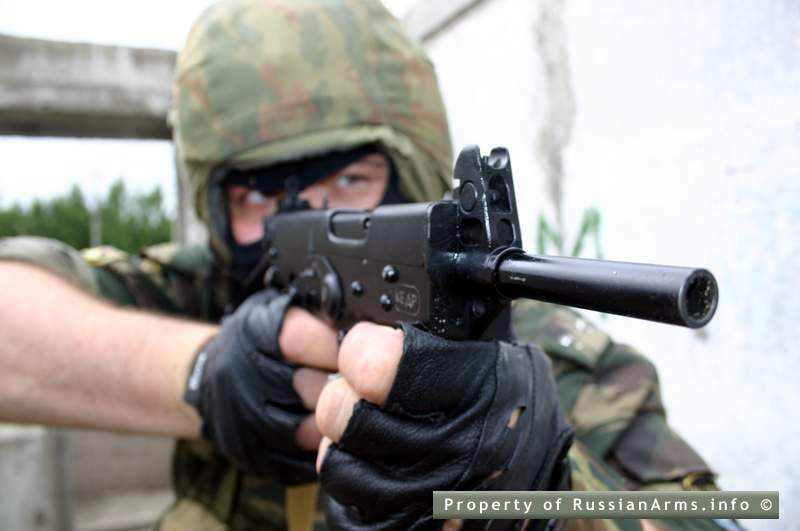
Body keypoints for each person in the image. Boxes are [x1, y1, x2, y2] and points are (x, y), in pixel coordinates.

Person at [0, 1, 733, 530]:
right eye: (256, 195)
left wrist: (541, 493)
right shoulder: (210, 287)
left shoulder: (549, 360)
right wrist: (204, 371)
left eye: (350, 180)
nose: (301, 216)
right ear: (218, 211)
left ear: (411, 175)